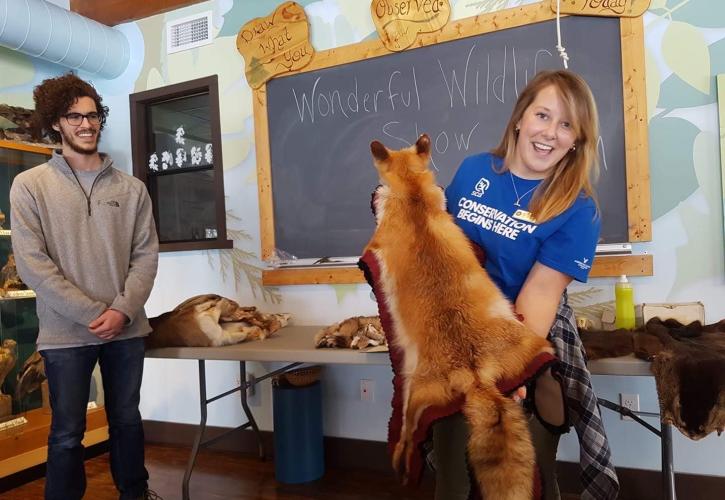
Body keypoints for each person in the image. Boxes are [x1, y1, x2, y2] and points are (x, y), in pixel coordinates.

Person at [435, 70, 618, 499]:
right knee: (454, 479)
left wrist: (509, 370)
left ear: (577, 140)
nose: (550, 133)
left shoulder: (578, 209)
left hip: (523, 343)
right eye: (543, 115)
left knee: (522, 480)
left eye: (567, 124)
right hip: (455, 343)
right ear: (520, 118)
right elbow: (442, 253)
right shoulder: (473, 170)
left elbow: (539, 296)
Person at [10, 73, 160, 500]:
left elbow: (146, 257)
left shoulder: (132, 190)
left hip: (126, 328)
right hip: (63, 333)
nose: (85, 123)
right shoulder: (30, 186)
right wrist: (95, 313)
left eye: (92, 115)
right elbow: (32, 264)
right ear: (56, 122)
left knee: (127, 420)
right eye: (74, 116)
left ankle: (136, 493)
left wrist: (121, 311)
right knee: (66, 433)